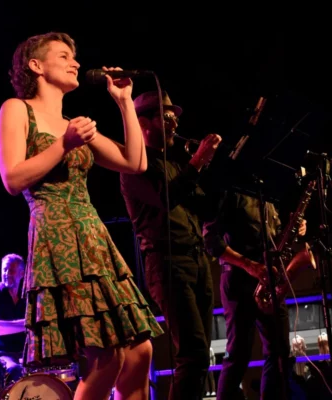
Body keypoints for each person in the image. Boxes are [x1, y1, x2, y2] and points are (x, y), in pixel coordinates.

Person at [0, 31, 163, 400]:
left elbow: (135, 161)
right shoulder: (16, 109)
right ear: (36, 66)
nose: (75, 62)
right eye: (64, 55)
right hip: (57, 236)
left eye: (75, 56)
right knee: (107, 356)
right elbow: (12, 178)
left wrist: (123, 103)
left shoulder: (74, 122)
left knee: (140, 351)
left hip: (93, 237)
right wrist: (63, 144)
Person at [120, 90, 222, 400]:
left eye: (175, 118)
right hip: (167, 264)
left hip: (196, 260)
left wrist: (209, 168)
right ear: (144, 123)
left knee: (201, 353)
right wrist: (196, 162)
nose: (175, 124)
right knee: (193, 355)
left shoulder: (175, 164)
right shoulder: (135, 165)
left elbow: (204, 209)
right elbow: (167, 198)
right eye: (167, 118)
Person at [202, 187, 307, 400]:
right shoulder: (229, 189)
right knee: (238, 356)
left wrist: (295, 229)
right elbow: (210, 240)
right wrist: (248, 265)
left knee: (280, 353)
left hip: (269, 279)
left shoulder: (266, 192)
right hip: (238, 279)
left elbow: (272, 236)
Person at [0, 253, 26, 383]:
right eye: (4, 269)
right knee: (15, 369)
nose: (7, 273)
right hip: (1, 352)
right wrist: (25, 323)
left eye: (11, 270)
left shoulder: (27, 295)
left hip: (23, 351)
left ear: (22, 273)